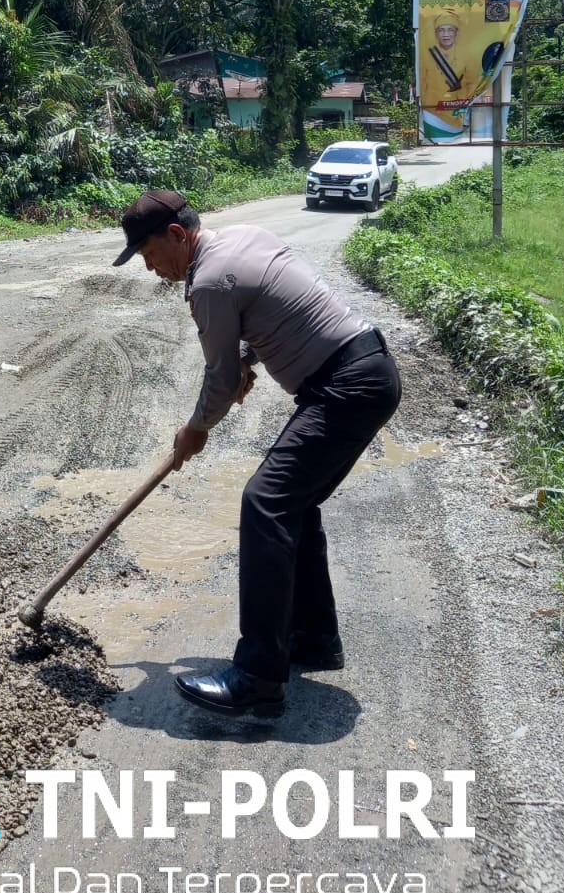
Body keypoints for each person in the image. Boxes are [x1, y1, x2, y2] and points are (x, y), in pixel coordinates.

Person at [112, 189, 401, 719]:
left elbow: (219, 380)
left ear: (177, 236)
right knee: (291, 504)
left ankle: (258, 677)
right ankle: (312, 637)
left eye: (150, 255)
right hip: (366, 372)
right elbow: (268, 306)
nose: (150, 269)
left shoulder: (208, 281)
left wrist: (194, 429)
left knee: (264, 503)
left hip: (345, 386)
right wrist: (249, 356)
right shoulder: (242, 239)